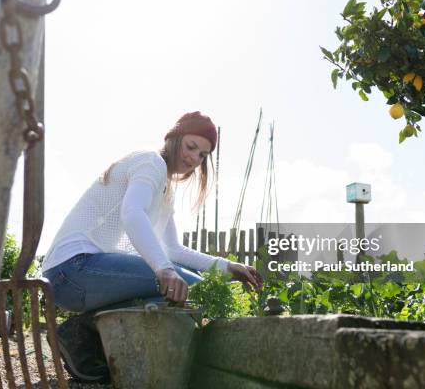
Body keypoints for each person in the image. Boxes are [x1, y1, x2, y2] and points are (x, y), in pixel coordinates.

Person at [42, 111, 263, 382]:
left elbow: (174, 251)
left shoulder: (166, 191)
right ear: (174, 139)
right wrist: (165, 270)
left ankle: (80, 335)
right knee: (189, 285)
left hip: (82, 278)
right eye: (191, 147)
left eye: (203, 155)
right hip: (70, 269)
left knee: (183, 289)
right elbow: (132, 213)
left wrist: (228, 266)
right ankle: (85, 334)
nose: (194, 158)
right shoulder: (150, 163)